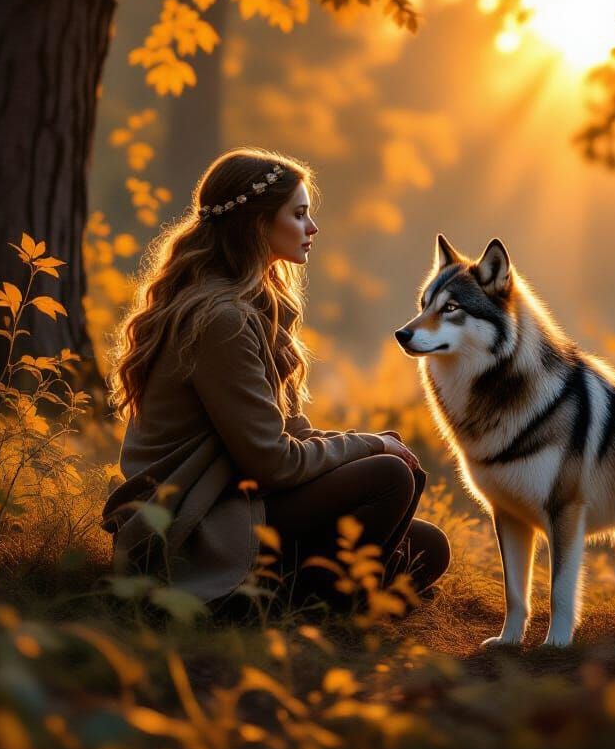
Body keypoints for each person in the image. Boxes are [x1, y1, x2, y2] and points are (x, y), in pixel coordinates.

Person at [101, 148, 450, 614]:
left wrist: (369, 440)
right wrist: (370, 448)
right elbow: (273, 463)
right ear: (258, 224)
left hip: (243, 498)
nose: (312, 228)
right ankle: (274, 605)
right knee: (387, 477)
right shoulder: (219, 319)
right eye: (300, 214)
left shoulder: (251, 307)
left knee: (428, 544)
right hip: (198, 521)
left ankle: (298, 591)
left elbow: (287, 434)